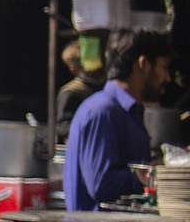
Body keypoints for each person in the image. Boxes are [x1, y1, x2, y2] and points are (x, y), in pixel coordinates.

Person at [64, 30, 175, 211]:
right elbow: (100, 183)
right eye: (163, 67)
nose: (167, 78)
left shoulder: (128, 112)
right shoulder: (102, 111)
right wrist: (145, 174)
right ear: (144, 64)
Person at [55, 38, 104, 143]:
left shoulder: (105, 87)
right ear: (74, 70)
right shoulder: (71, 92)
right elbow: (64, 127)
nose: (95, 69)